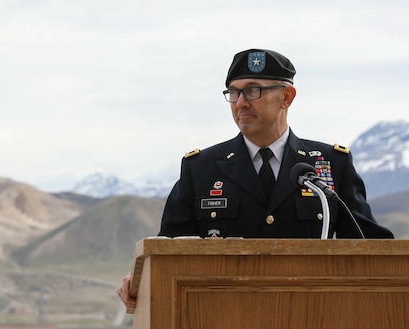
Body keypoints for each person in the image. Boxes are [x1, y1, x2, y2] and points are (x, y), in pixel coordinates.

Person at [117, 48, 392, 309]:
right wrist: (142, 279)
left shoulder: (330, 164)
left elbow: (369, 248)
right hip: (224, 322)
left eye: (252, 91)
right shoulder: (201, 169)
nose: (241, 103)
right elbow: (169, 249)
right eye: (233, 93)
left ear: (287, 97)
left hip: (310, 320)